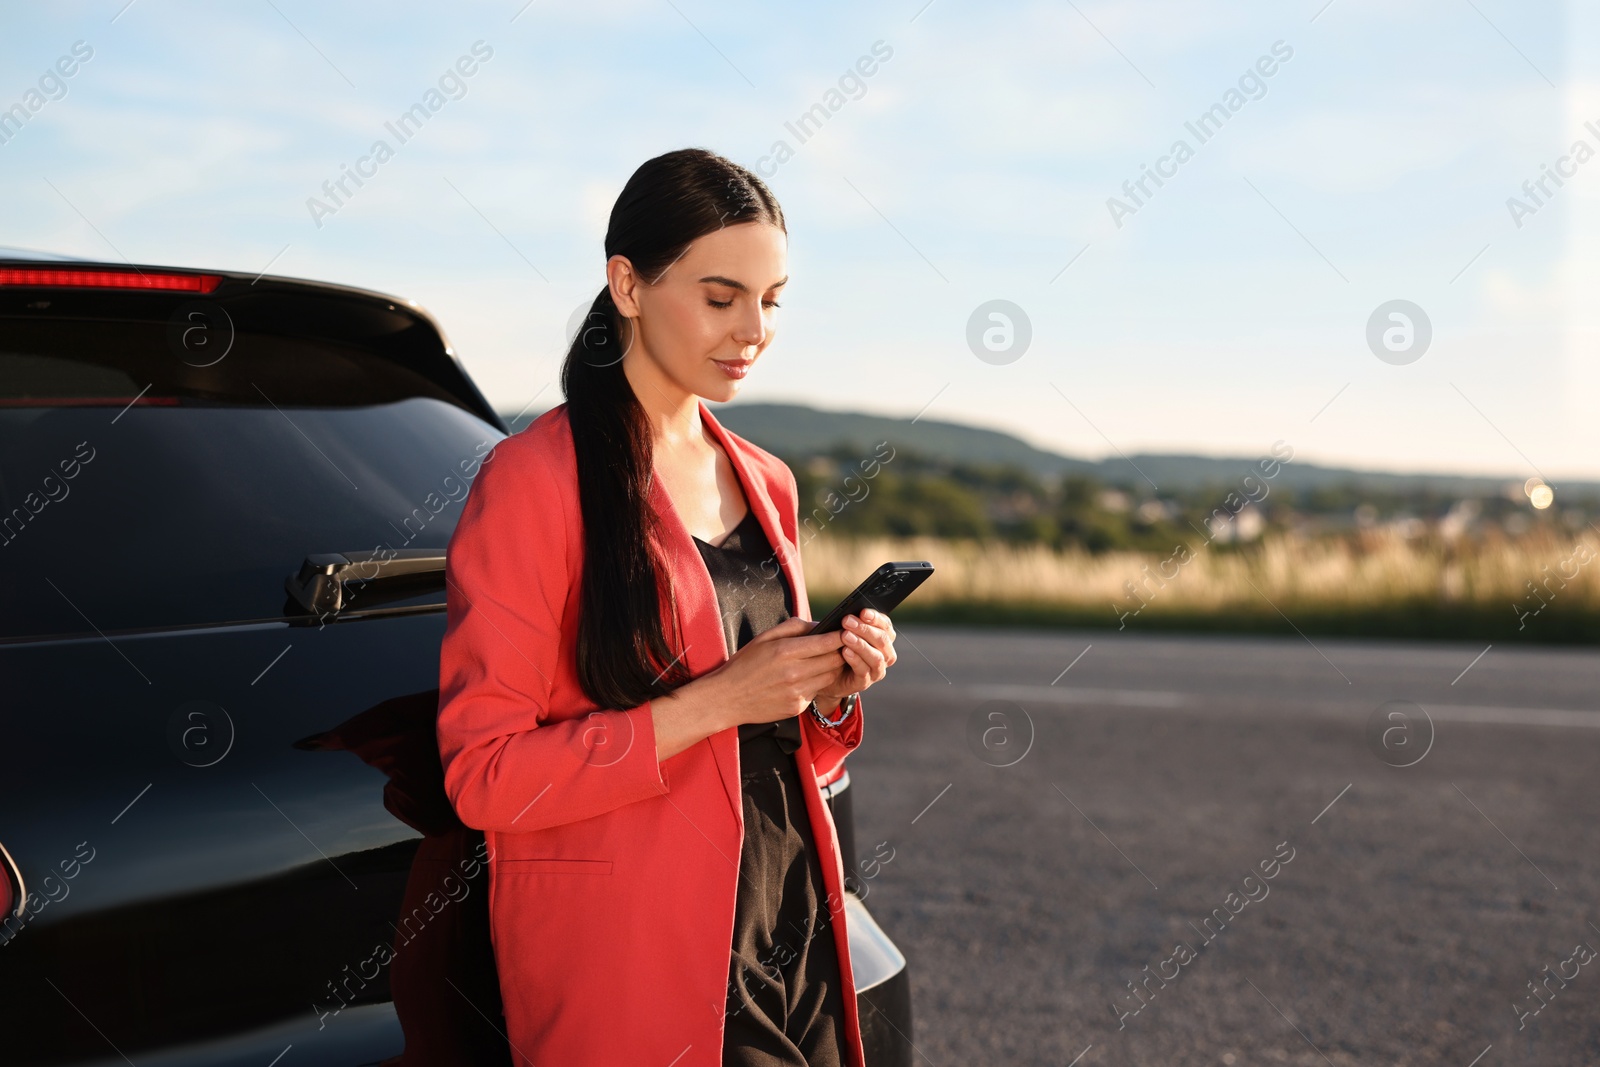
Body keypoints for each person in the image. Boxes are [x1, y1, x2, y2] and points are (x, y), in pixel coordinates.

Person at [436, 147, 899, 1067]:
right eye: (721, 297)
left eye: (772, 301)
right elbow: (485, 775)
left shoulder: (764, 476)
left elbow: (774, 724)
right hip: (640, 942)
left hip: (789, 906)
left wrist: (831, 685)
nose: (753, 329)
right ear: (628, 286)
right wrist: (719, 698)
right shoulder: (534, 481)